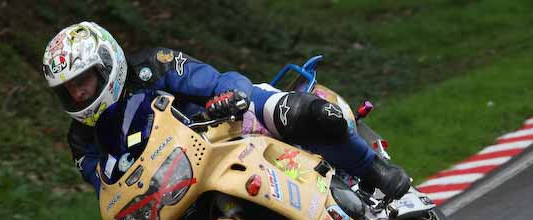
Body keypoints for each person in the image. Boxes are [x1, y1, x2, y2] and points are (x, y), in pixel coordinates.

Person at [42, 21, 410, 199]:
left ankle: (375, 171)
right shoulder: (81, 139)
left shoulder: (153, 66)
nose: (78, 94)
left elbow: (214, 80)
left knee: (301, 113)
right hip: (177, 183)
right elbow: (106, 189)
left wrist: (231, 96)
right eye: (68, 90)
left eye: (82, 81)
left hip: (228, 129)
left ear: (106, 63)